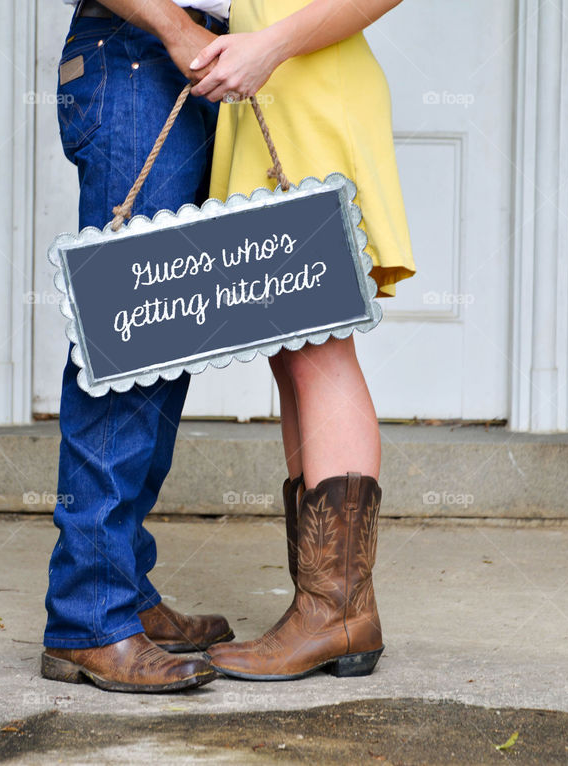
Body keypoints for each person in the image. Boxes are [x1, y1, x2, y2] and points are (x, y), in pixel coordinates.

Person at [191, 0, 415, 680]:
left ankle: (337, 612)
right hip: (272, 103)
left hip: (310, 93)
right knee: (292, 351)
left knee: (320, 350)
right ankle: (324, 608)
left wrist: (271, 44)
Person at [41, 0, 234, 693]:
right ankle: (89, 619)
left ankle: (122, 586)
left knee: (166, 331)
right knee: (126, 335)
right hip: (139, 51)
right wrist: (179, 28)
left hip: (196, 56)